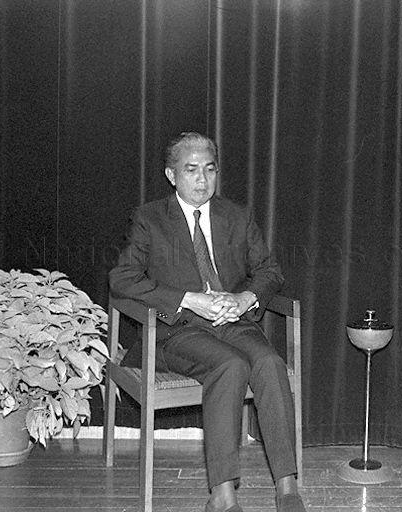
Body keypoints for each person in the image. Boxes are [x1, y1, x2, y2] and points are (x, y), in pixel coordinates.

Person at [109, 132, 305, 512]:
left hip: (233, 324)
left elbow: (269, 272)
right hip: (176, 330)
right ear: (171, 175)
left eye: (209, 170)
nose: (202, 180)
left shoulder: (236, 215)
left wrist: (245, 298)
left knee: (269, 363)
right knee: (230, 366)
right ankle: (222, 494)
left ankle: (287, 487)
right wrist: (188, 299)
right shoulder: (150, 219)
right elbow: (122, 278)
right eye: (191, 170)